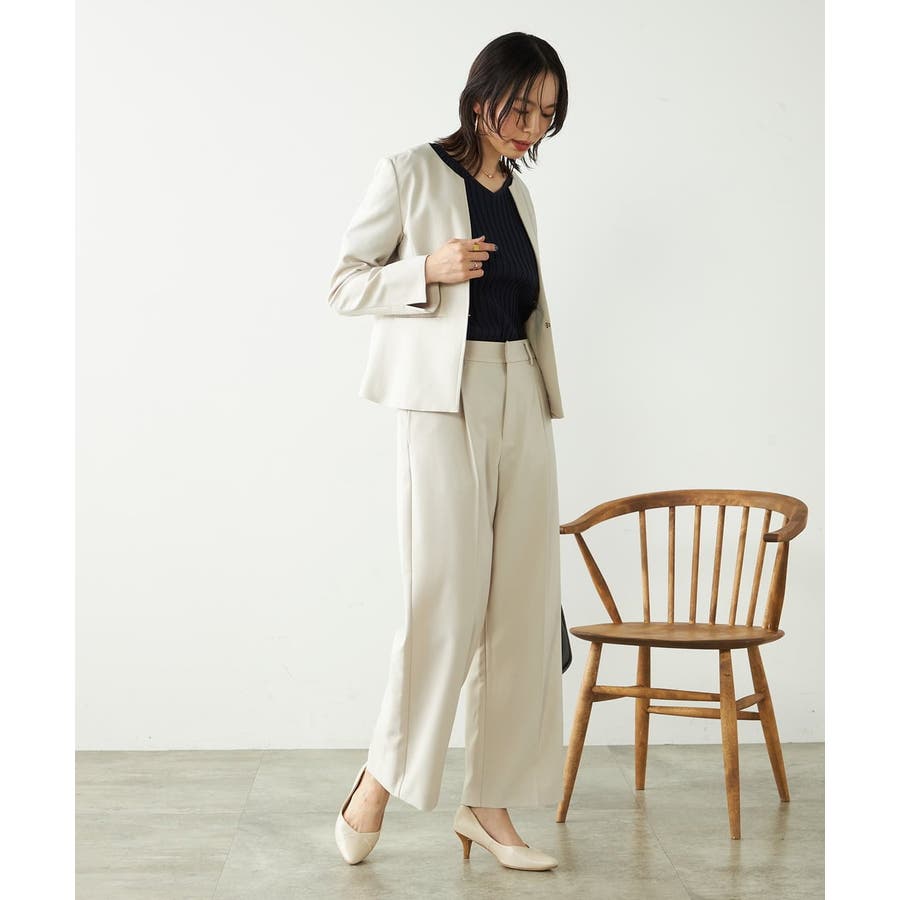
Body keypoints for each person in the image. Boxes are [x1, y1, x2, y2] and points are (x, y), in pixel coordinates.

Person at [327, 32, 569, 872]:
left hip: (522, 393)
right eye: (521, 109)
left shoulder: (519, 196)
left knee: (521, 608)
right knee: (444, 598)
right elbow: (343, 282)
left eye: (546, 115)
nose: (530, 128)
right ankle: (378, 781)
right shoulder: (410, 172)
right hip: (444, 397)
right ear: (480, 97)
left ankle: (488, 804)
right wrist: (423, 269)